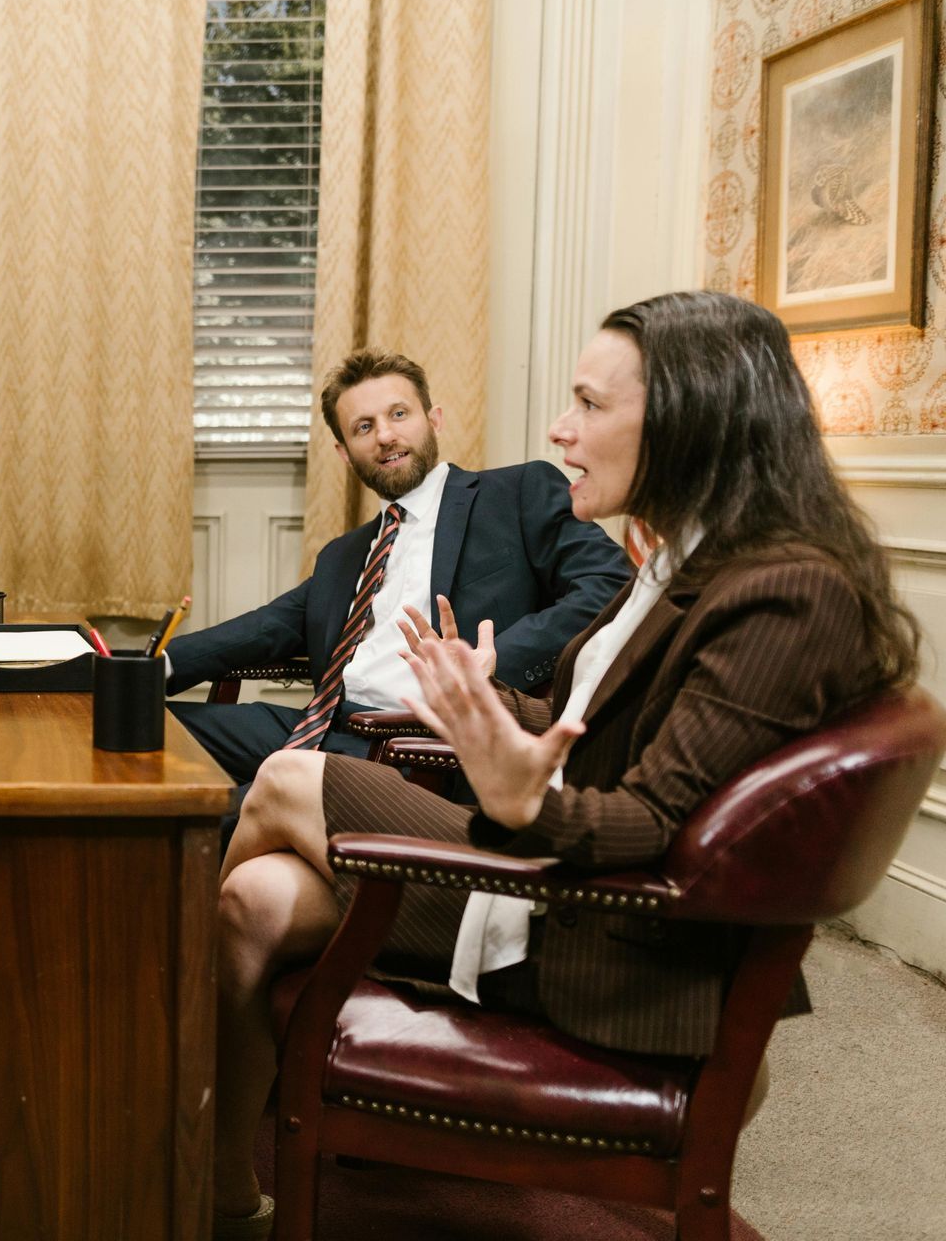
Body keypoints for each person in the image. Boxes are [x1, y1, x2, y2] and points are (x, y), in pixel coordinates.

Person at [209, 291, 921, 1236]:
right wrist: (490, 706)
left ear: (688, 418)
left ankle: (171, 1112)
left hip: (592, 935)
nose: (559, 426)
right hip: (558, 890)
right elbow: (600, 722)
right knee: (253, 898)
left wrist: (514, 790)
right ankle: (215, 1172)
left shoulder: (783, 590)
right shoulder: (692, 564)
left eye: (589, 403)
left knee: (285, 778)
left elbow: (648, 828)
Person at [166, 347, 629, 787]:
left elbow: (610, 585)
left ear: (434, 420)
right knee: (139, 725)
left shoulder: (516, 493)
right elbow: (263, 628)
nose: (385, 435)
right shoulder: (343, 555)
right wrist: (145, 666)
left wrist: (486, 666)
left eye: (399, 414)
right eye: (363, 427)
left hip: (422, 747)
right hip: (326, 727)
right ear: (345, 452)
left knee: (224, 815)